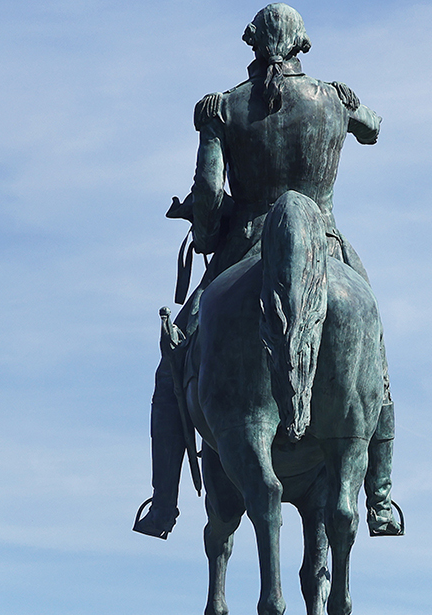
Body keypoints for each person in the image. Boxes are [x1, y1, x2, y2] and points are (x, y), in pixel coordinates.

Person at [136, 5, 399, 540]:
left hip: (244, 252)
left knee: (172, 364)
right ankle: (380, 497)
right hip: (327, 245)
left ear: (252, 42)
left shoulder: (221, 107)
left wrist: (203, 227)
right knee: (374, 360)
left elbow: (210, 196)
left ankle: (164, 505)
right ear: (301, 43)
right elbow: (373, 129)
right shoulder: (333, 97)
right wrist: (349, 105)